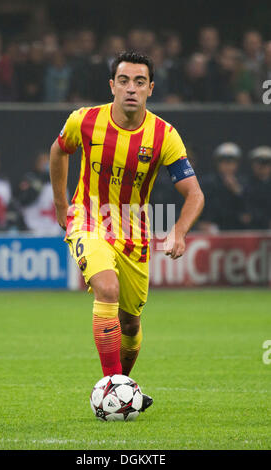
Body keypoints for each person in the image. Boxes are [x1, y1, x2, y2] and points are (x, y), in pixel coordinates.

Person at [49, 51, 204, 412]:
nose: (130, 89)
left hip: (134, 233)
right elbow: (58, 152)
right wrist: (61, 205)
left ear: (150, 88)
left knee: (130, 323)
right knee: (106, 287)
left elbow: (194, 193)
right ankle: (112, 389)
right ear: (112, 86)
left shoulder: (164, 135)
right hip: (89, 218)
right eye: (123, 81)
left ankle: (123, 387)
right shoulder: (84, 120)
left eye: (138, 82)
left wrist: (180, 231)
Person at [198, 142, 246, 232]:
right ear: (217, 163)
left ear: (237, 164)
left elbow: (248, 210)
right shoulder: (207, 182)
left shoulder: (244, 182)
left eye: (231, 162)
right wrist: (201, 222)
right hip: (213, 228)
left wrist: (237, 191)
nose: (228, 166)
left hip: (237, 228)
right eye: (224, 162)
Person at [16, 151, 64, 235]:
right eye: (43, 161)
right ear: (37, 163)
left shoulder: (59, 183)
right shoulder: (29, 178)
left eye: (49, 161)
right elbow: (23, 200)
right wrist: (38, 184)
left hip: (54, 230)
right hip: (33, 228)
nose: (47, 164)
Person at [242, 146, 271, 229]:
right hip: (251, 228)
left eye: (266, 163)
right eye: (259, 163)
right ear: (253, 165)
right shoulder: (245, 184)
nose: (262, 167)